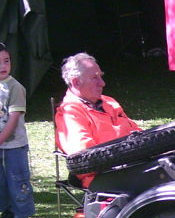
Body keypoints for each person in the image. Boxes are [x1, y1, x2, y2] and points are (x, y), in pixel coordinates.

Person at [55, 53, 141, 188]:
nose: (102, 83)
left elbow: (138, 133)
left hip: (134, 166)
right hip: (105, 178)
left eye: (101, 76)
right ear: (76, 82)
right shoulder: (70, 113)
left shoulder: (109, 102)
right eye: (95, 78)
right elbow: (85, 157)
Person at [0, 42, 34, 218]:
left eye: (6, 61)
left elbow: (13, 120)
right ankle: (8, 209)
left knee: (17, 180)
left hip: (14, 146)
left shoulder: (15, 88)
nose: (3, 66)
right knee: (2, 181)